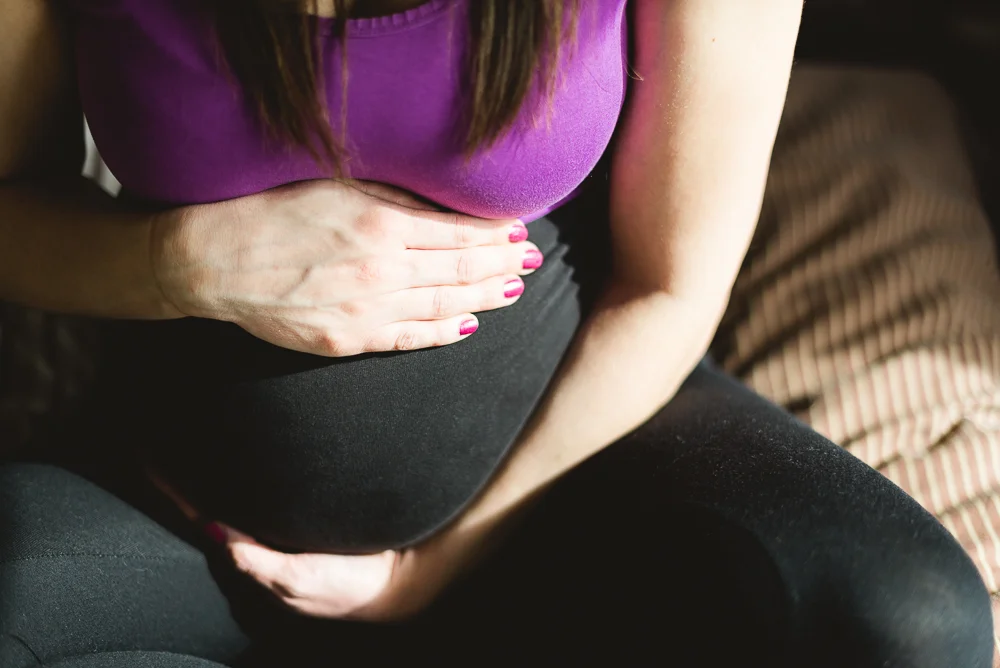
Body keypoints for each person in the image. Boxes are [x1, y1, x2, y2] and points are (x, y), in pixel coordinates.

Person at [0, 0, 993, 666]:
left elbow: (672, 287)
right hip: (194, 526)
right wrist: (184, 261)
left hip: (551, 496)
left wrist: (431, 569)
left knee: (908, 619)